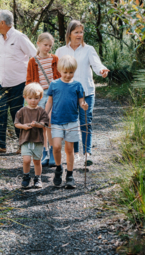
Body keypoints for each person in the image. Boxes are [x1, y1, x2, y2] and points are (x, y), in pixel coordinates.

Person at [55, 20, 109, 165]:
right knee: (72, 123)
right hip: (68, 93)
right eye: (76, 32)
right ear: (69, 34)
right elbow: (56, 70)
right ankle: (74, 153)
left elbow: (97, 64)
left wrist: (102, 71)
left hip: (86, 91)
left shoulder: (88, 49)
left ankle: (87, 153)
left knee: (86, 122)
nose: (79, 35)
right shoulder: (61, 51)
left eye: (81, 32)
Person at [0, 10, 37, 154]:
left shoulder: (19, 37)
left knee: (17, 114)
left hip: (19, 83)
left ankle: (23, 145)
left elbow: (34, 55)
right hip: (3, 83)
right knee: (0, 111)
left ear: (3, 23)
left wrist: (32, 80)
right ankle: (0, 145)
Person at [45, 55, 89, 189]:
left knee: (69, 149)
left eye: (71, 72)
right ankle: (59, 168)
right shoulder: (54, 84)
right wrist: (44, 114)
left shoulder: (77, 85)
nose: (68, 75)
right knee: (57, 146)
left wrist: (83, 104)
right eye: (65, 72)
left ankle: (70, 175)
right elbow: (50, 101)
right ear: (59, 71)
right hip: (57, 121)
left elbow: (81, 100)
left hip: (72, 121)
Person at [26, 32, 61, 167]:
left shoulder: (55, 59)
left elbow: (59, 77)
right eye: (45, 45)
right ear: (38, 44)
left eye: (50, 46)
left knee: (50, 123)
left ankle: (52, 152)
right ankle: (45, 152)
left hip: (53, 94)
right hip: (39, 95)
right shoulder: (32, 61)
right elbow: (29, 81)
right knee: (42, 125)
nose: (47, 48)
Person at [14, 83, 50, 188]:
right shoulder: (22, 111)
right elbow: (16, 123)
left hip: (38, 140)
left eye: (36, 98)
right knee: (26, 159)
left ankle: (38, 178)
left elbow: (44, 124)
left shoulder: (41, 111)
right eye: (30, 98)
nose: (33, 101)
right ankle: (26, 176)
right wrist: (23, 126)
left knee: (37, 160)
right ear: (25, 97)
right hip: (25, 140)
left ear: (40, 98)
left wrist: (38, 124)